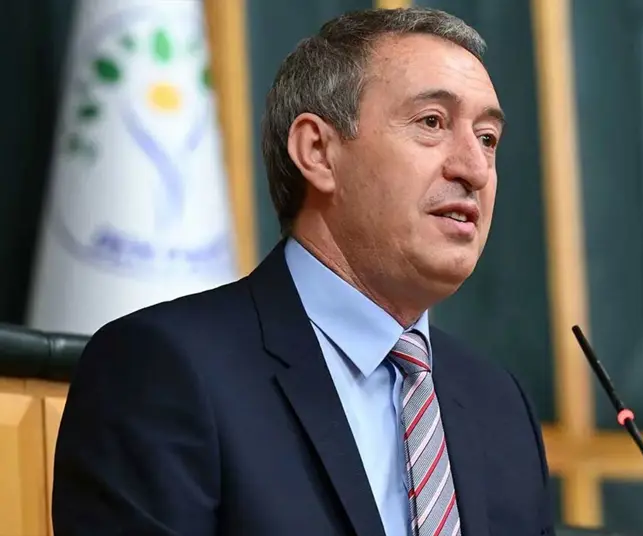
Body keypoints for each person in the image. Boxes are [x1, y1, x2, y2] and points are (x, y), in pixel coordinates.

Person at [52, 7, 554, 536]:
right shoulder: (162, 369)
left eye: (487, 138)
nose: (475, 169)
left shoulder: (500, 406)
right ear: (317, 151)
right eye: (432, 122)